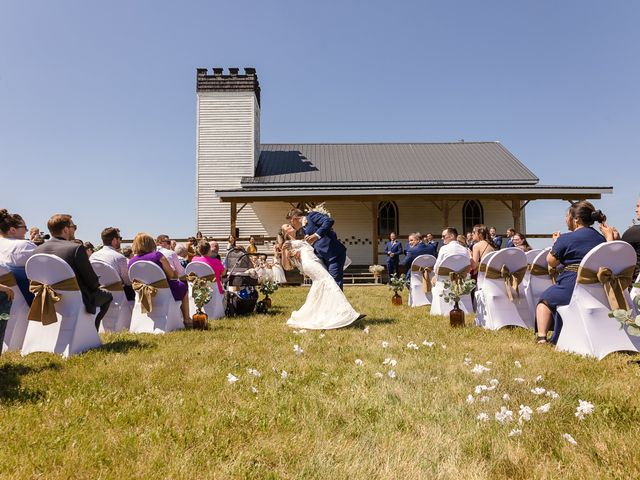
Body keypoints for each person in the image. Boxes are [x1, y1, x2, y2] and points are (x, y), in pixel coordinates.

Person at [535, 202, 607, 344]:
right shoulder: (600, 238)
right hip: (597, 286)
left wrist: (556, 243)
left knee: (545, 299)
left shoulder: (566, 238)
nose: (565, 219)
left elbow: (551, 262)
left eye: (567, 216)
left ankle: (542, 338)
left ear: (577, 219)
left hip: (572, 283)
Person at [34, 214, 112, 330]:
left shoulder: (37, 250)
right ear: (66, 229)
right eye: (73, 226)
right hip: (77, 299)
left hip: (48, 298)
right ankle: (92, 331)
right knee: (107, 295)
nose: (74, 229)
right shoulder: (75, 248)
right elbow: (92, 282)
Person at [281, 223, 361, 329]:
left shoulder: (302, 236)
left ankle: (321, 314)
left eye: (289, 224)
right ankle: (347, 313)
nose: (289, 225)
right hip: (310, 264)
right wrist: (290, 253)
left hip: (317, 261)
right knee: (329, 281)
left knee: (321, 287)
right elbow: (287, 264)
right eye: (286, 226)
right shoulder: (288, 243)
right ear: (284, 232)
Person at [128, 233, 190, 325]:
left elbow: (131, 279)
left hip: (142, 292)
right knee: (183, 286)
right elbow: (171, 275)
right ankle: (187, 319)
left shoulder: (131, 261)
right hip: (164, 291)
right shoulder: (157, 255)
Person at [287, 207, 347, 289]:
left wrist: (316, 235)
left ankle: (338, 302)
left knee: (334, 283)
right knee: (323, 282)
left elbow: (329, 221)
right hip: (321, 257)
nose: (291, 225)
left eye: (290, 222)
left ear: (294, 218)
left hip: (333, 254)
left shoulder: (312, 216)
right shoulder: (304, 229)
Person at [0, 209, 36, 305]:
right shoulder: (24, 245)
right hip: (29, 299)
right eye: (25, 228)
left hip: (7, 300)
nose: (26, 231)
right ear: (12, 230)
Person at [91, 227, 135, 301]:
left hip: (98, 296)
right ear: (114, 240)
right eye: (119, 238)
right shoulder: (119, 257)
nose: (120, 241)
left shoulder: (93, 256)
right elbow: (128, 281)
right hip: (118, 296)